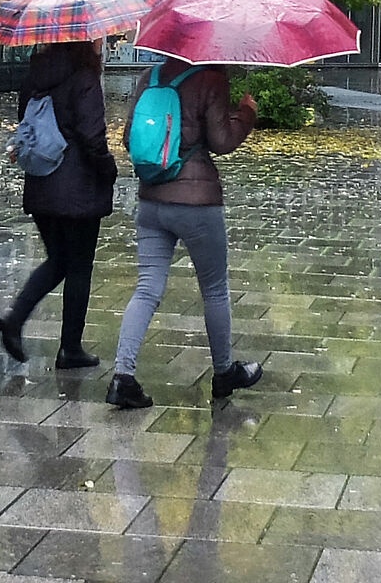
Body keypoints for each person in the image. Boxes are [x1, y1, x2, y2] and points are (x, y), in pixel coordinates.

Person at [106, 63, 264, 409]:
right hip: (197, 204)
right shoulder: (211, 79)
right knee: (214, 289)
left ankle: (122, 377)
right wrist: (246, 113)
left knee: (146, 288)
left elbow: (129, 136)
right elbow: (223, 141)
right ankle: (224, 373)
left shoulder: (150, 77)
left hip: (151, 200)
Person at [0, 38, 116, 370]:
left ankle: (15, 320)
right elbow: (92, 136)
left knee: (59, 260)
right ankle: (70, 348)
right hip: (78, 189)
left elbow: (27, 122)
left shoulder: (35, 75)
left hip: (41, 184)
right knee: (78, 267)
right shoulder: (85, 77)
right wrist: (109, 169)